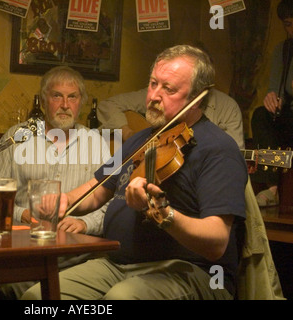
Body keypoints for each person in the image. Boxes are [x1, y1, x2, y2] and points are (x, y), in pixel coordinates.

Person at [21, 45, 248, 300]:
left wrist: (164, 215)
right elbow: (98, 190)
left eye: (168, 89)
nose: (154, 96)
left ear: (198, 98)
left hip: (193, 271)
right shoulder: (140, 139)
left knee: (122, 298)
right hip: (118, 265)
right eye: (153, 84)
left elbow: (216, 242)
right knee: (38, 296)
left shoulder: (218, 149)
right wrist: (67, 200)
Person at [0, 66, 111, 299]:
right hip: (24, 255)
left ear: (81, 102)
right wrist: (21, 214)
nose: (65, 104)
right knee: (21, 291)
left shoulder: (98, 143)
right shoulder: (16, 137)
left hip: (79, 257)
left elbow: (111, 202)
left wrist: (85, 224)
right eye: (56, 96)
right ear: (43, 101)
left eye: (72, 97)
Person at [97, 85, 245, 150]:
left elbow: (235, 154)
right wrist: (127, 132)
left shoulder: (228, 106)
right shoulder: (157, 95)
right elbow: (107, 105)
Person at [251, 0, 293, 207]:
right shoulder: (283, 50)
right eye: (288, 24)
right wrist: (272, 97)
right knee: (260, 115)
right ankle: (271, 188)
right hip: (290, 117)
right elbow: (276, 89)